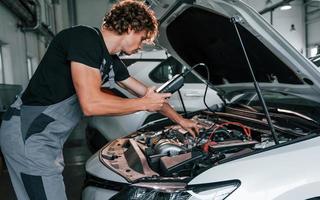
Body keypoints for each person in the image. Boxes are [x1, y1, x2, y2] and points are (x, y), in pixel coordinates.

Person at [0, 0, 199, 199]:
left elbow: (147, 94)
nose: (141, 47)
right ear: (130, 28)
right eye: (142, 39)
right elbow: (91, 104)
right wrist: (145, 103)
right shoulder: (83, 38)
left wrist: (181, 120)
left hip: (46, 137)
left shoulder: (111, 62)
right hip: (28, 133)